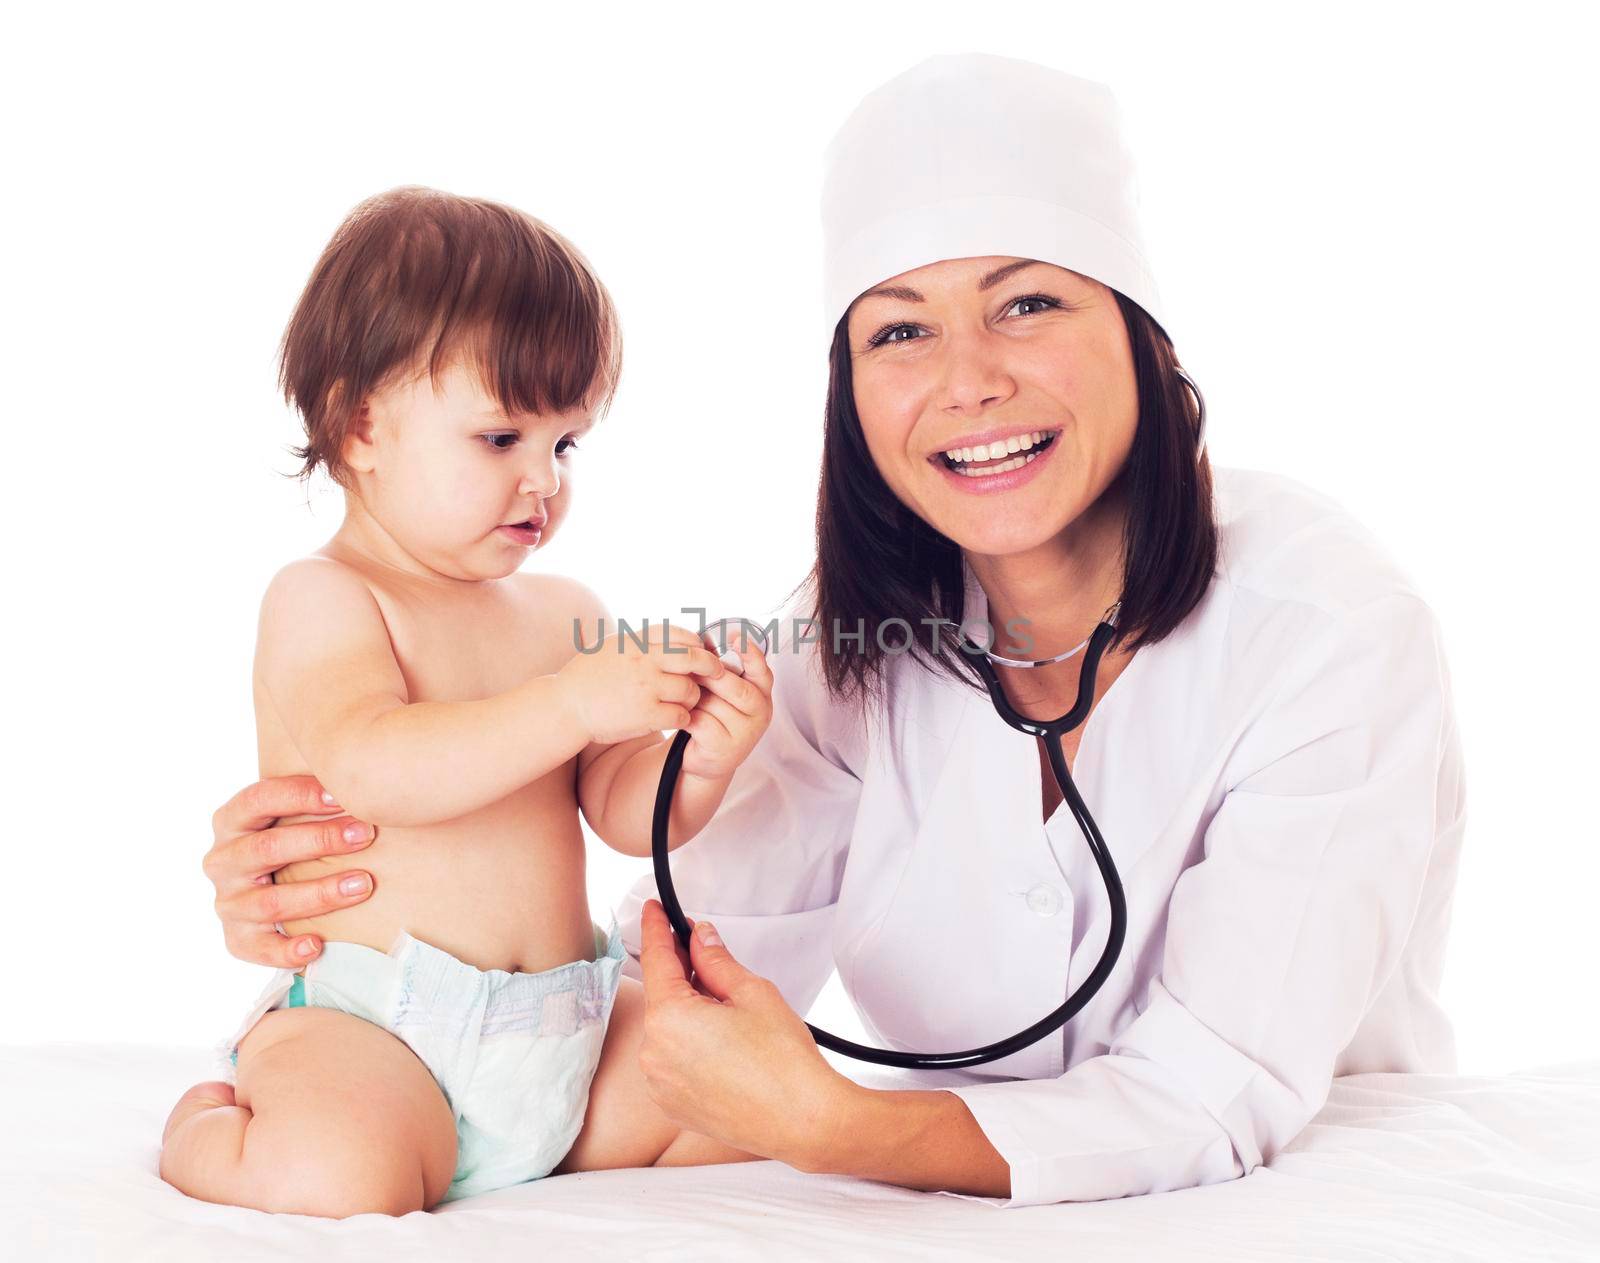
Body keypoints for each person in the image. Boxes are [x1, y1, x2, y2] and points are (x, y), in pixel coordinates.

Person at [199, 56, 1467, 1209]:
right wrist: (353, 898)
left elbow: (1215, 1088)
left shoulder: (1325, 633)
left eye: (1027, 304)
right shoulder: (838, 639)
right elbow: (712, 947)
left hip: (1296, 1183)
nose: (968, 378)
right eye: (900, 328)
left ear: (1140, 336)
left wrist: (830, 1125)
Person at [161, 187, 774, 1217]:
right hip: (384, 1027)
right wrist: (576, 702)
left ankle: (551, 1142)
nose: (543, 479)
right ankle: (207, 1129)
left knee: (738, 1097)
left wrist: (697, 756)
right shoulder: (330, 597)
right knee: (339, 1174)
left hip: (560, 1025)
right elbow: (374, 765)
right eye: (501, 439)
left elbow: (622, 816)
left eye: (566, 444)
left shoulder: (560, 609)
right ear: (362, 428)